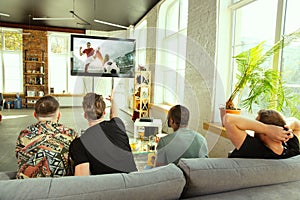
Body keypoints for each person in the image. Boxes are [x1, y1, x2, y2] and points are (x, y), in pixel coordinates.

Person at [69, 91, 137, 176]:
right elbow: (114, 115)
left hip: (109, 188)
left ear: (85, 115)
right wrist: (113, 101)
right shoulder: (118, 126)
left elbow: (82, 182)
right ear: (104, 112)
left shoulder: (79, 144)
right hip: (135, 184)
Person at [15, 95, 78, 179]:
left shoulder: (24, 134)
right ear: (59, 115)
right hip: (60, 185)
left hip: (26, 187)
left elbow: (19, 157)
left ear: (35, 114)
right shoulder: (70, 134)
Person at [223, 109, 300, 159]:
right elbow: (296, 123)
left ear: (266, 134)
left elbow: (228, 119)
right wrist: (286, 128)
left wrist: (266, 129)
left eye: (257, 124)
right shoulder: (292, 148)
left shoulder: (254, 149)